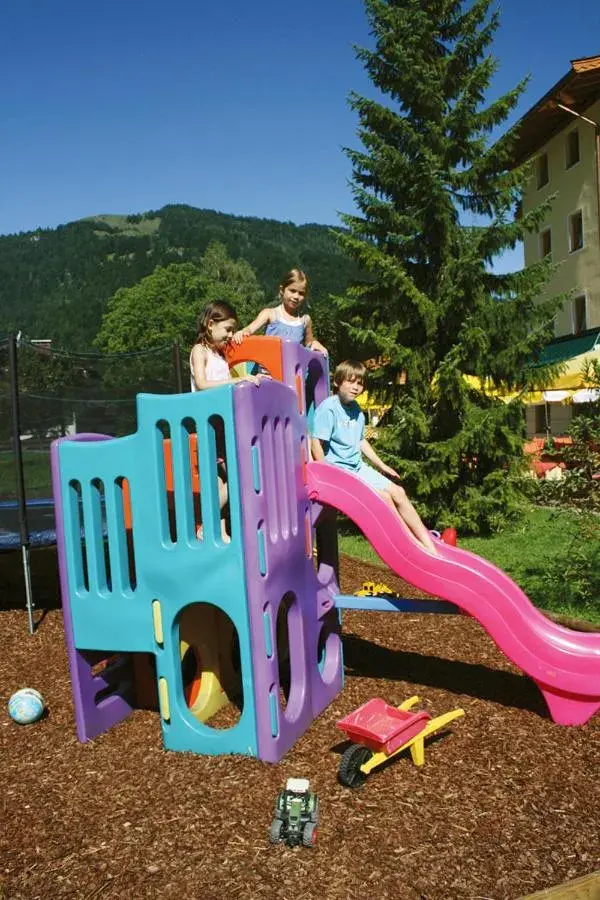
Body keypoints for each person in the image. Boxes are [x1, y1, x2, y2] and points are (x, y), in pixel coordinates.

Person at [310, 360, 438, 555]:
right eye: (350, 382)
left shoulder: (356, 410)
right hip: (341, 472)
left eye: (359, 384)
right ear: (337, 382)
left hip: (358, 467)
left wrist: (382, 466)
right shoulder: (329, 408)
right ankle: (412, 543)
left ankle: (428, 542)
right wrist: (326, 474)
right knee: (384, 498)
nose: (355, 387)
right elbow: (316, 442)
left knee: (398, 492)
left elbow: (361, 441)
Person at [189, 301, 265, 541]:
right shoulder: (199, 351)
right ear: (211, 324)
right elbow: (201, 384)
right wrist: (237, 383)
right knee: (238, 478)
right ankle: (204, 522)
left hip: (224, 424)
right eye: (228, 329)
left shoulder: (218, 354)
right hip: (209, 425)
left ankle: (220, 532)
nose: (230, 335)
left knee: (226, 480)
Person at [232, 268, 328, 355]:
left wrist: (315, 343)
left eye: (301, 293)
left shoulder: (305, 320)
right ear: (282, 290)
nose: (296, 296)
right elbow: (250, 329)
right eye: (292, 290)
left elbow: (309, 343)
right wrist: (243, 332)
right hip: (268, 371)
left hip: (292, 371)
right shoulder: (270, 314)